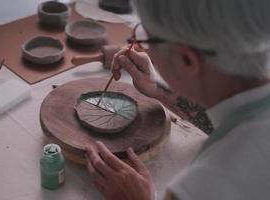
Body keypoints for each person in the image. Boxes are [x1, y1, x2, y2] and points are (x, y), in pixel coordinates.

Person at [85, 0, 270, 199]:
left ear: (187, 59)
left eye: (146, 38)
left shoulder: (203, 186)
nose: (141, 45)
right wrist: (159, 90)